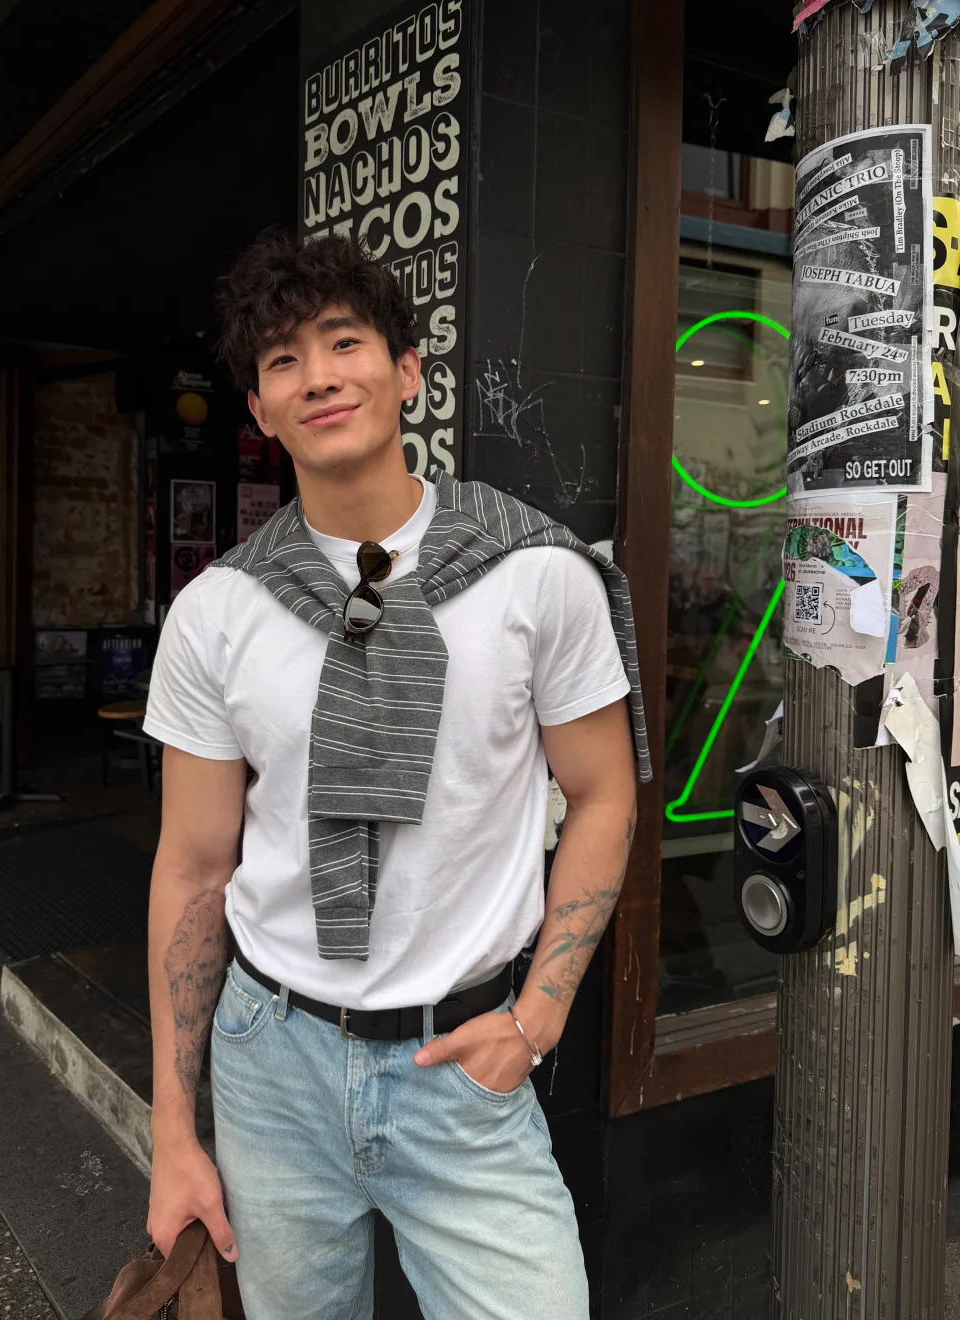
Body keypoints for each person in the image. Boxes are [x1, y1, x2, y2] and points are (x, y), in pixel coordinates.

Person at [142, 229, 645, 1320]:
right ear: (261, 412)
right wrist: (175, 1131)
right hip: (271, 1061)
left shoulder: (537, 574)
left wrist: (540, 1015)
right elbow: (193, 867)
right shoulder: (217, 612)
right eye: (283, 361)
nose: (318, 376)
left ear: (407, 371)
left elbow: (605, 797)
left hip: (461, 1065)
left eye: (344, 342)